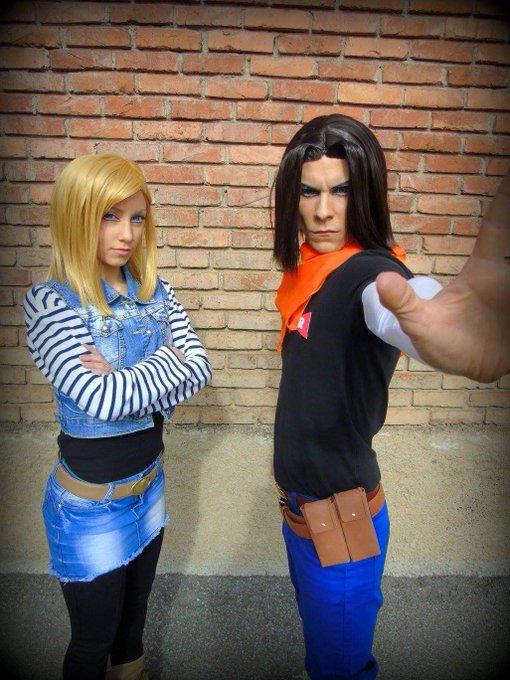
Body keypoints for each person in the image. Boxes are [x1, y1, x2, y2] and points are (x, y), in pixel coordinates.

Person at [271, 113, 509, 680]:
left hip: (340, 525)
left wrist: (441, 324)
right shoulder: (310, 272)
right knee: (322, 659)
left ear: (366, 195)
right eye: (309, 191)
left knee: (343, 669)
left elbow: (398, 305)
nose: (323, 211)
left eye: (341, 191)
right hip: (300, 515)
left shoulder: (371, 275)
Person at [23, 154, 212, 680]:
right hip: (90, 507)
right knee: (93, 640)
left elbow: (200, 368)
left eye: (136, 217)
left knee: (134, 624)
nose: (127, 233)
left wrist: (126, 376)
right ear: (76, 216)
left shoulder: (156, 291)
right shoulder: (49, 303)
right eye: (109, 216)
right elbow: (100, 400)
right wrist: (167, 362)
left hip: (149, 489)